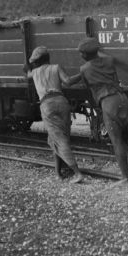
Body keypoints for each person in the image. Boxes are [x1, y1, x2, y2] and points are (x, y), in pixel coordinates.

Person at [65, 37, 128, 186]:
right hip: (122, 99)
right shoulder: (110, 61)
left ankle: (126, 179)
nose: (80, 55)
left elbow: (86, 86)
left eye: (81, 53)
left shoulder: (84, 69)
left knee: (115, 140)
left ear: (85, 55)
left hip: (109, 102)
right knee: (119, 136)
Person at [26, 46, 83, 183]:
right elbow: (68, 82)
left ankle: (77, 173)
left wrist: (28, 66)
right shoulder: (56, 68)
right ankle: (58, 173)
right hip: (62, 102)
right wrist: (82, 74)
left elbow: (27, 73)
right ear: (48, 57)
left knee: (58, 139)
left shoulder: (33, 73)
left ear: (36, 61)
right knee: (57, 139)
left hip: (47, 105)